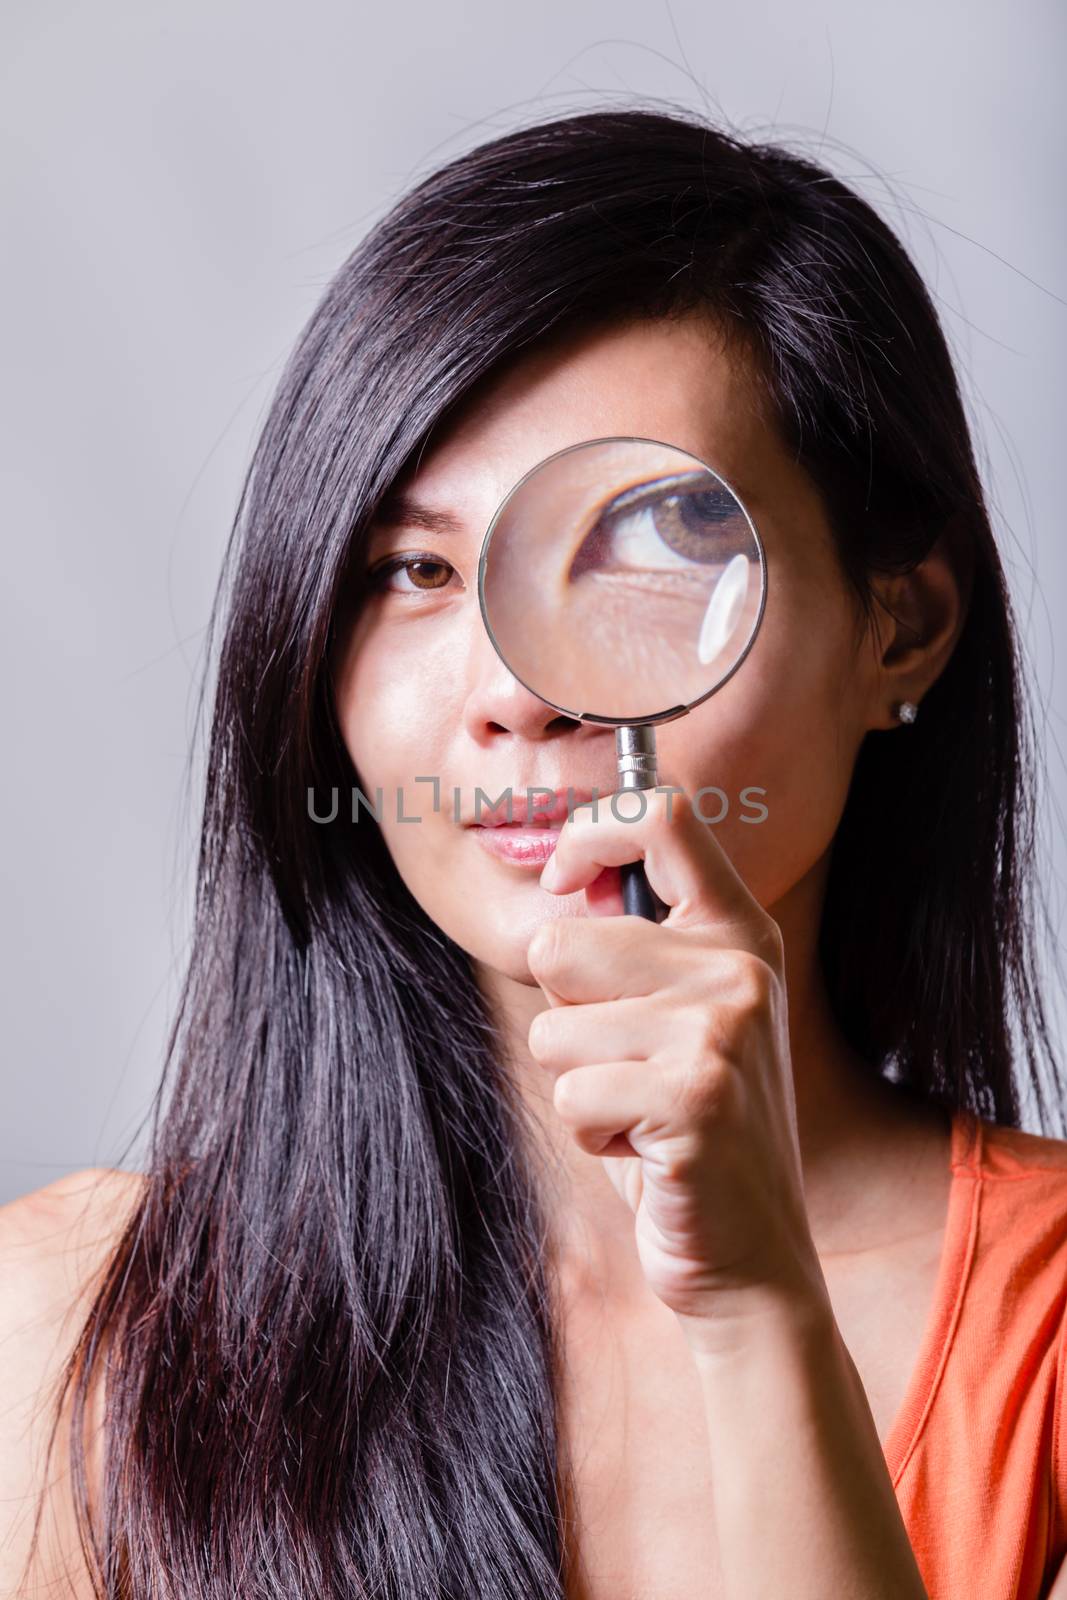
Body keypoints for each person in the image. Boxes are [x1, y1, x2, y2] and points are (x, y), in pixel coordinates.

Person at [2, 103, 1066, 1600]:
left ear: (903, 627)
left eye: (647, 547)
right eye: (419, 570)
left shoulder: (1047, 1329)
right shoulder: (72, 1337)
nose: (517, 690)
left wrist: (758, 1307)